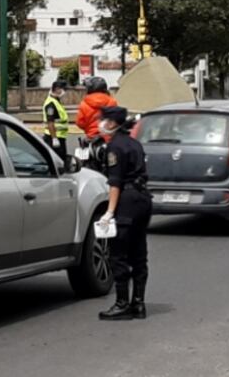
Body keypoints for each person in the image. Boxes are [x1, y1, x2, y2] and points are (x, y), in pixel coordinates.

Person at [97, 105, 152, 321]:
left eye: (103, 120)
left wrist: (109, 212)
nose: (100, 124)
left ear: (111, 123)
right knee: (139, 254)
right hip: (143, 199)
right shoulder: (134, 143)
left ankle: (122, 304)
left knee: (118, 253)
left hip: (127, 202)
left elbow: (115, 183)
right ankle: (138, 303)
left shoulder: (115, 147)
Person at [75, 77, 118, 142]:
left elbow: (80, 123)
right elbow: (116, 119)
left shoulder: (84, 103)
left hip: (91, 136)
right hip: (108, 136)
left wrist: (88, 128)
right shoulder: (112, 101)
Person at [43, 80, 69, 159]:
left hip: (60, 136)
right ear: (57, 89)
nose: (64, 92)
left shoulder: (56, 101)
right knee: (58, 162)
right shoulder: (51, 104)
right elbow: (50, 122)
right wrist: (54, 139)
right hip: (54, 137)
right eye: (63, 89)